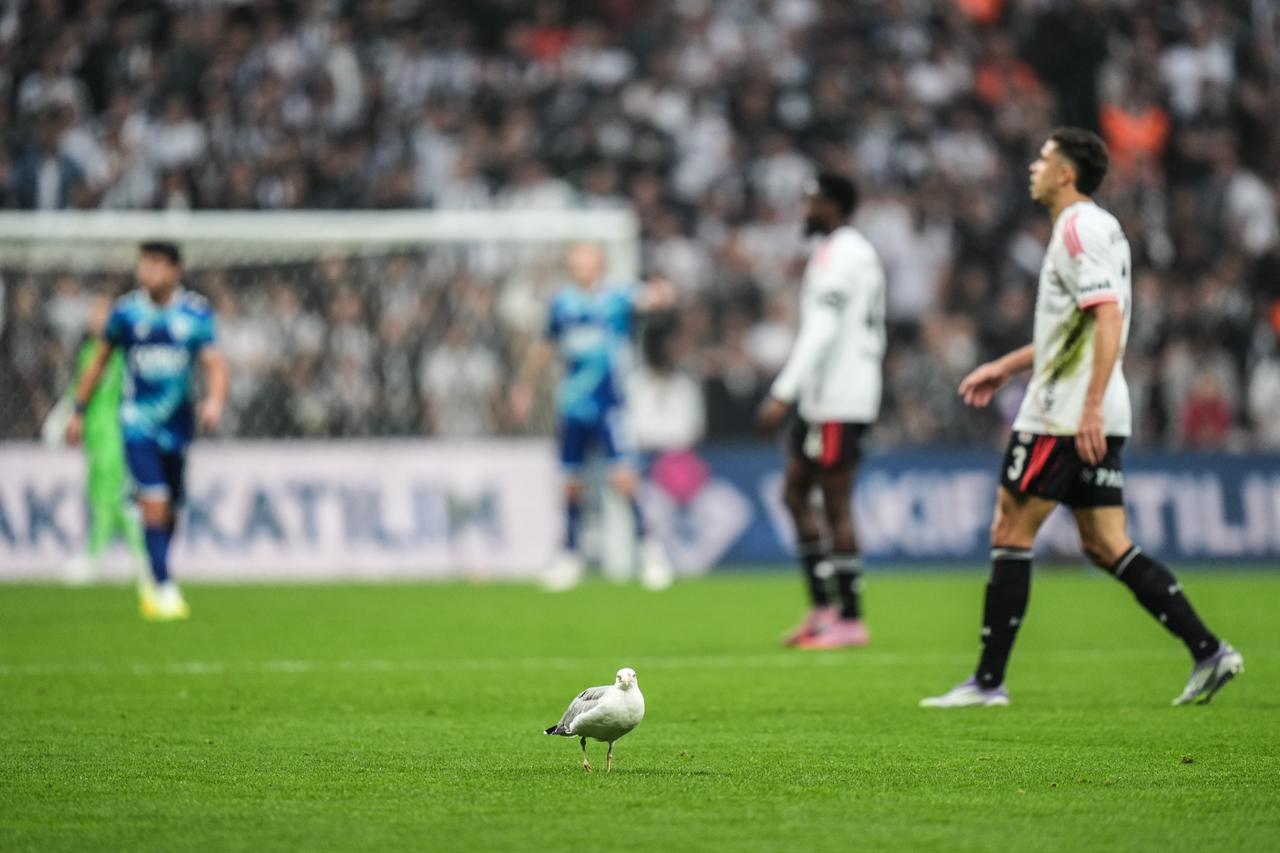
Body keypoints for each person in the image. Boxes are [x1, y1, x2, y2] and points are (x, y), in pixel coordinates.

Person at [921, 128, 1242, 708]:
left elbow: (1108, 318)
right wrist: (1007, 366)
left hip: (1065, 413)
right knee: (1105, 543)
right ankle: (1209, 649)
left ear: (1066, 173)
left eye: (1043, 159)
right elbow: (1071, 328)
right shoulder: (1095, 229)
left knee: (1009, 531)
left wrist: (1087, 407)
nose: (1032, 167)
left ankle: (988, 683)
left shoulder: (1077, 227)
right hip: (1089, 404)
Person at [758, 172, 886, 649]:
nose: (805, 209)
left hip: (840, 396)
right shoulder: (844, 253)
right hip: (825, 396)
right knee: (794, 493)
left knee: (835, 502)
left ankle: (851, 620)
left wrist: (783, 390)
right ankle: (823, 609)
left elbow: (825, 328)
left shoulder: (843, 254)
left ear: (833, 205)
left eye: (811, 200)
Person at [67, 242, 227, 620]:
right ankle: (162, 584)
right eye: (144, 264)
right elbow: (100, 360)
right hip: (136, 423)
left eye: (156, 264)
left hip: (178, 425)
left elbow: (215, 364)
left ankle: (155, 571)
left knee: (170, 506)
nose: (147, 272)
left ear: (174, 271)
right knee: (153, 499)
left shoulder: (195, 314)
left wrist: (215, 401)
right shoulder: (126, 313)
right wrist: (78, 409)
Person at [511, 242, 675, 591]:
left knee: (625, 480)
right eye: (576, 258)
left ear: (600, 263)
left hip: (611, 404)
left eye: (587, 258)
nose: (580, 264)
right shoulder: (561, 303)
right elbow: (545, 344)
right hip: (572, 404)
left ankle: (650, 552)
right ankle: (570, 557)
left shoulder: (618, 297)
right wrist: (525, 385)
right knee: (571, 483)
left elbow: (655, 297)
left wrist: (661, 291)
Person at [61, 292, 148, 586]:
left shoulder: (121, 352)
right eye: (94, 312)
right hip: (97, 432)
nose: (95, 318)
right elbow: (78, 391)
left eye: (102, 312)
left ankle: (96, 558)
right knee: (112, 496)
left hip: (116, 431)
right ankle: (138, 557)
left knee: (108, 495)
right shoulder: (89, 350)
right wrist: (73, 418)